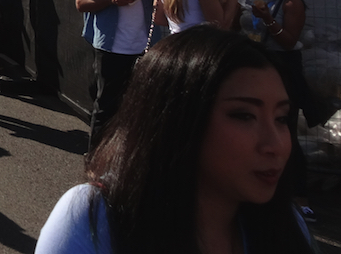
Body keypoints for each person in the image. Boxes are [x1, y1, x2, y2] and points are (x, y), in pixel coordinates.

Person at [35, 27, 314, 254]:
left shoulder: (287, 225)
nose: (275, 145)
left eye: (281, 118)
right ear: (179, 120)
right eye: (243, 116)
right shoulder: (95, 219)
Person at [237, 0, 319, 223]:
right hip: (252, 66)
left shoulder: (290, 2)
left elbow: (289, 41)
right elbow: (238, 26)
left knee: (285, 133)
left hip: (282, 69)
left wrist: (269, 21)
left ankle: (300, 196)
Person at [75, 0, 161, 148]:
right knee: (107, 106)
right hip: (111, 44)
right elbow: (81, 3)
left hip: (145, 43)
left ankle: (132, 157)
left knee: (144, 104)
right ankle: (96, 158)